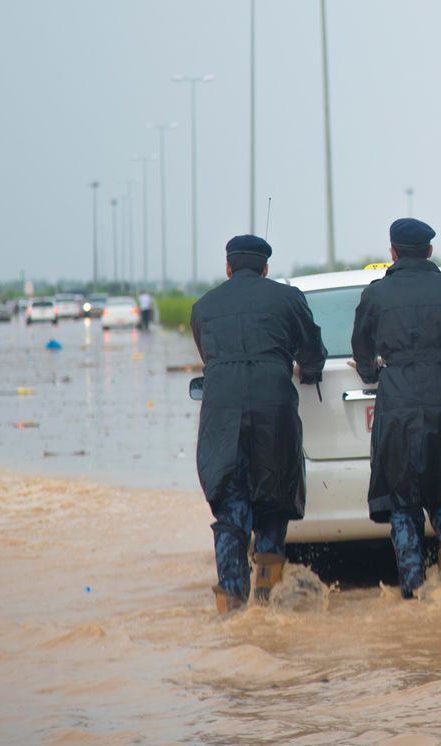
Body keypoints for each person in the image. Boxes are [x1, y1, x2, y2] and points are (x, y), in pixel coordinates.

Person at [190, 234, 326, 615]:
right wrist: (309, 373)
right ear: (266, 269)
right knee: (273, 503)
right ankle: (266, 603)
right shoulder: (287, 298)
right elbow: (312, 351)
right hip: (275, 412)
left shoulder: (203, 307)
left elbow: (210, 356)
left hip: (222, 416)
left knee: (231, 512)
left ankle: (232, 608)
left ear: (228, 268)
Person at [352, 218, 441, 602]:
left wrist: (374, 372)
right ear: (430, 251)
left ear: (392, 252)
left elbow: (361, 349)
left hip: (400, 396)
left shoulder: (377, 295)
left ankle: (414, 587)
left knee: (401, 497)